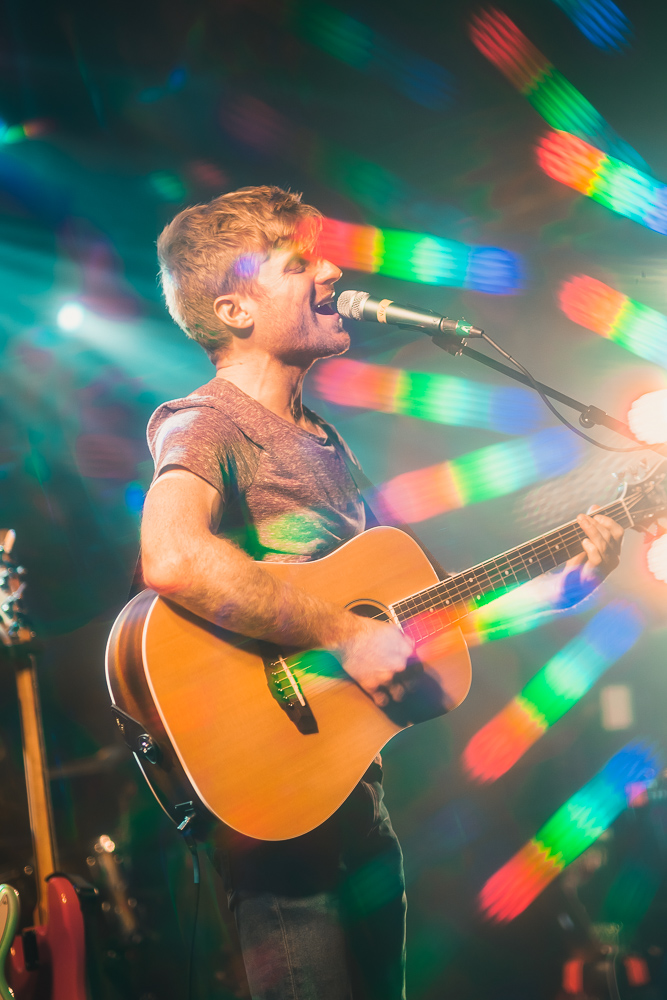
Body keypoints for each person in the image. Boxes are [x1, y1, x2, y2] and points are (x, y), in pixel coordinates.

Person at [139, 185, 624, 1000]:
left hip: (352, 796)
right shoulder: (207, 422)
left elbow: (408, 626)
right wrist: (340, 628)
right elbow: (172, 556)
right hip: (276, 812)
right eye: (300, 262)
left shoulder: (325, 444)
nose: (332, 271)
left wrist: (553, 597)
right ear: (234, 309)